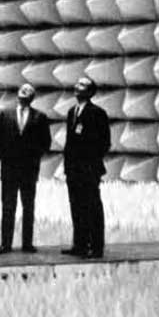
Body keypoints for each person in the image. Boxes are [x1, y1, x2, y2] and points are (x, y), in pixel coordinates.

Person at [0, 83, 51, 253]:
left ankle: (27, 244)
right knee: (8, 207)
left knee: (28, 207)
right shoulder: (5, 114)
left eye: (28, 92)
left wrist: (32, 155)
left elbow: (46, 143)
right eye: (22, 90)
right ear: (17, 94)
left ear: (32, 98)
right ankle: (6, 244)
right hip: (9, 169)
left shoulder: (40, 117)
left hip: (29, 171)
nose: (24, 93)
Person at [62, 76, 112, 259]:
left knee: (92, 208)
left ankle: (96, 247)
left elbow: (105, 143)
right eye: (77, 83)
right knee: (76, 207)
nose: (77, 86)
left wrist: (90, 163)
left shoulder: (98, 113)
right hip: (73, 170)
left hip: (89, 170)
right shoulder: (71, 112)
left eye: (82, 84)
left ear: (90, 92)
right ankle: (80, 245)